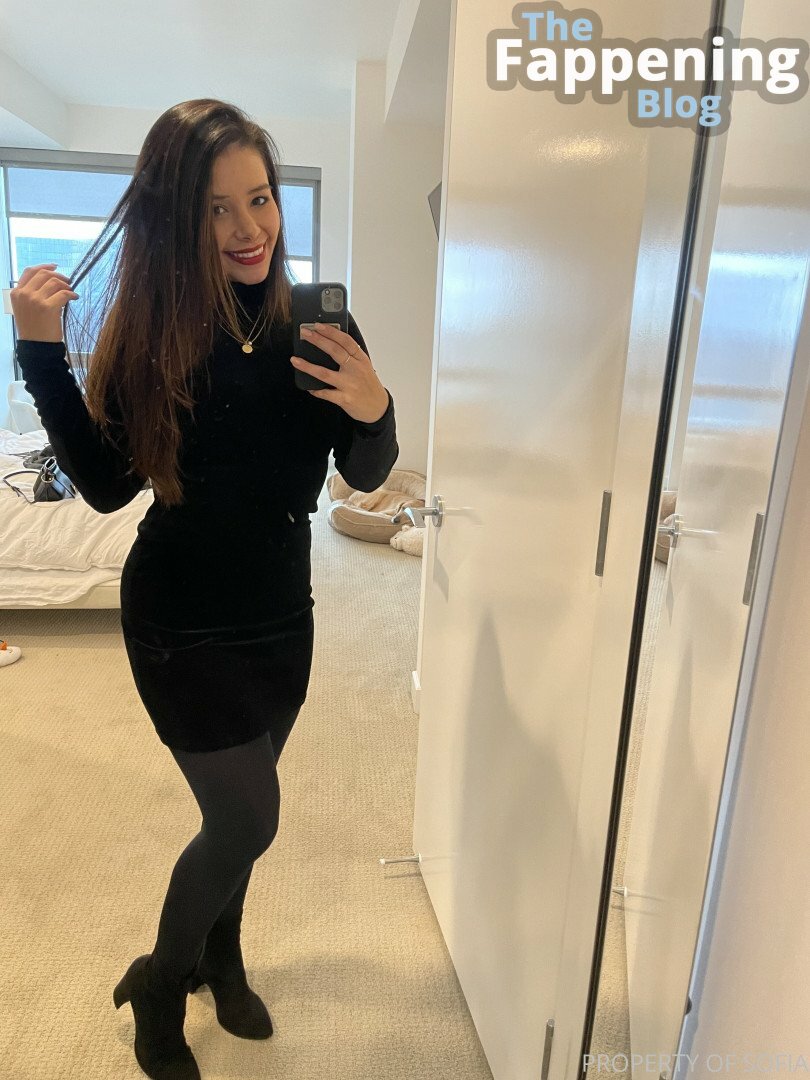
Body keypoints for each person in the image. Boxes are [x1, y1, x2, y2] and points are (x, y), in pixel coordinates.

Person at [10, 98, 398, 1080]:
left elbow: (363, 474)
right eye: (216, 209)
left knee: (239, 823)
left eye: (259, 198)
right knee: (247, 819)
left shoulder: (320, 324)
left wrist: (377, 409)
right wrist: (41, 356)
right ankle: (160, 981)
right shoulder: (153, 333)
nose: (247, 228)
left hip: (283, 612)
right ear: (178, 220)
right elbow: (107, 488)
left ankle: (225, 957)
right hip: (180, 620)